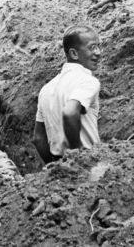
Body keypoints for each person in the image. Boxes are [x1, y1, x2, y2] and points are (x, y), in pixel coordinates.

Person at [32, 25, 102, 164]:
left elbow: (38, 139)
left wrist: (54, 166)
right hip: (87, 162)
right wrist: (76, 158)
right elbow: (70, 113)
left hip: (60, 167)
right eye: (92, 47)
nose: (98, 52)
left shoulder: (46, 89)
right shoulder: (88, 81)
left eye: (98, 46)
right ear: (74, 54)